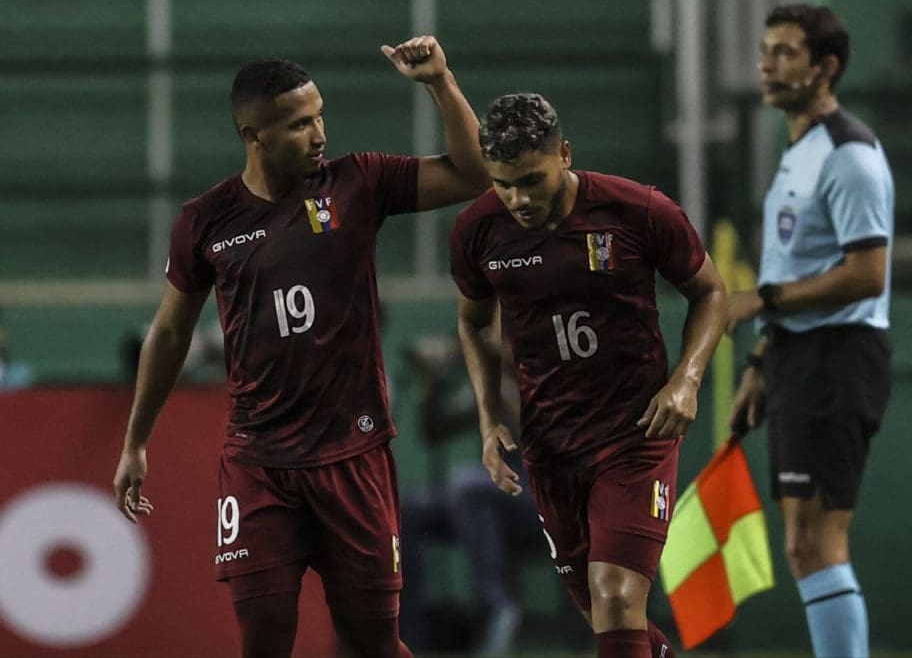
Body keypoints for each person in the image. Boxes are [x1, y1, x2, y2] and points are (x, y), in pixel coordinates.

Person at [111, 36, 490, 658]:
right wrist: (135, 440)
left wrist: (440, 83)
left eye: (320, 117)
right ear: (253, 135)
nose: (318, 135)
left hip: (353, 453)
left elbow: (472, 174)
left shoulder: (358, 182)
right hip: (258, 462)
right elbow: (172, 331)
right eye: (298, 125)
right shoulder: (205, 222)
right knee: (263, 638)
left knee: (372, 641)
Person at [450, 93, 728, 658]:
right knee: (605, 615)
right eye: (503, 184)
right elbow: (475, 324)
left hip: (635, 436)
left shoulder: (638, 211)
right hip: (550, 446)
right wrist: (488, 420)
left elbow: (712, 292)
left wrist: (687, 380)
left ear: (566, 154)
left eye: (531, 180)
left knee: (618, 597)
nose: (518, 199)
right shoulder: (478, 230)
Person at [726, 4, 894, 658]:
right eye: (766, 50)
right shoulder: (800, 149)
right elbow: (803, 259)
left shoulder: (849, 156)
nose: (767, 65)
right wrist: (764, 359)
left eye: (786, 53)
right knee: (801, 539)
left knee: (814, 541)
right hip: (799, 355)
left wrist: (762, 300)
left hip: (837, 356)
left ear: (827, 67)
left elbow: (867, 273)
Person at [399, 329, 542, 656]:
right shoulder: (486, 382)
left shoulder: (539, 376)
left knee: (468, 485)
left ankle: (496, 606)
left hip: (539, 499)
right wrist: (431, 382)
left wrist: (498, 381)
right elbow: (434, 431)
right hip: (488, 500)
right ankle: (409, 637)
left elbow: (531, 433)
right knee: (407, 510)